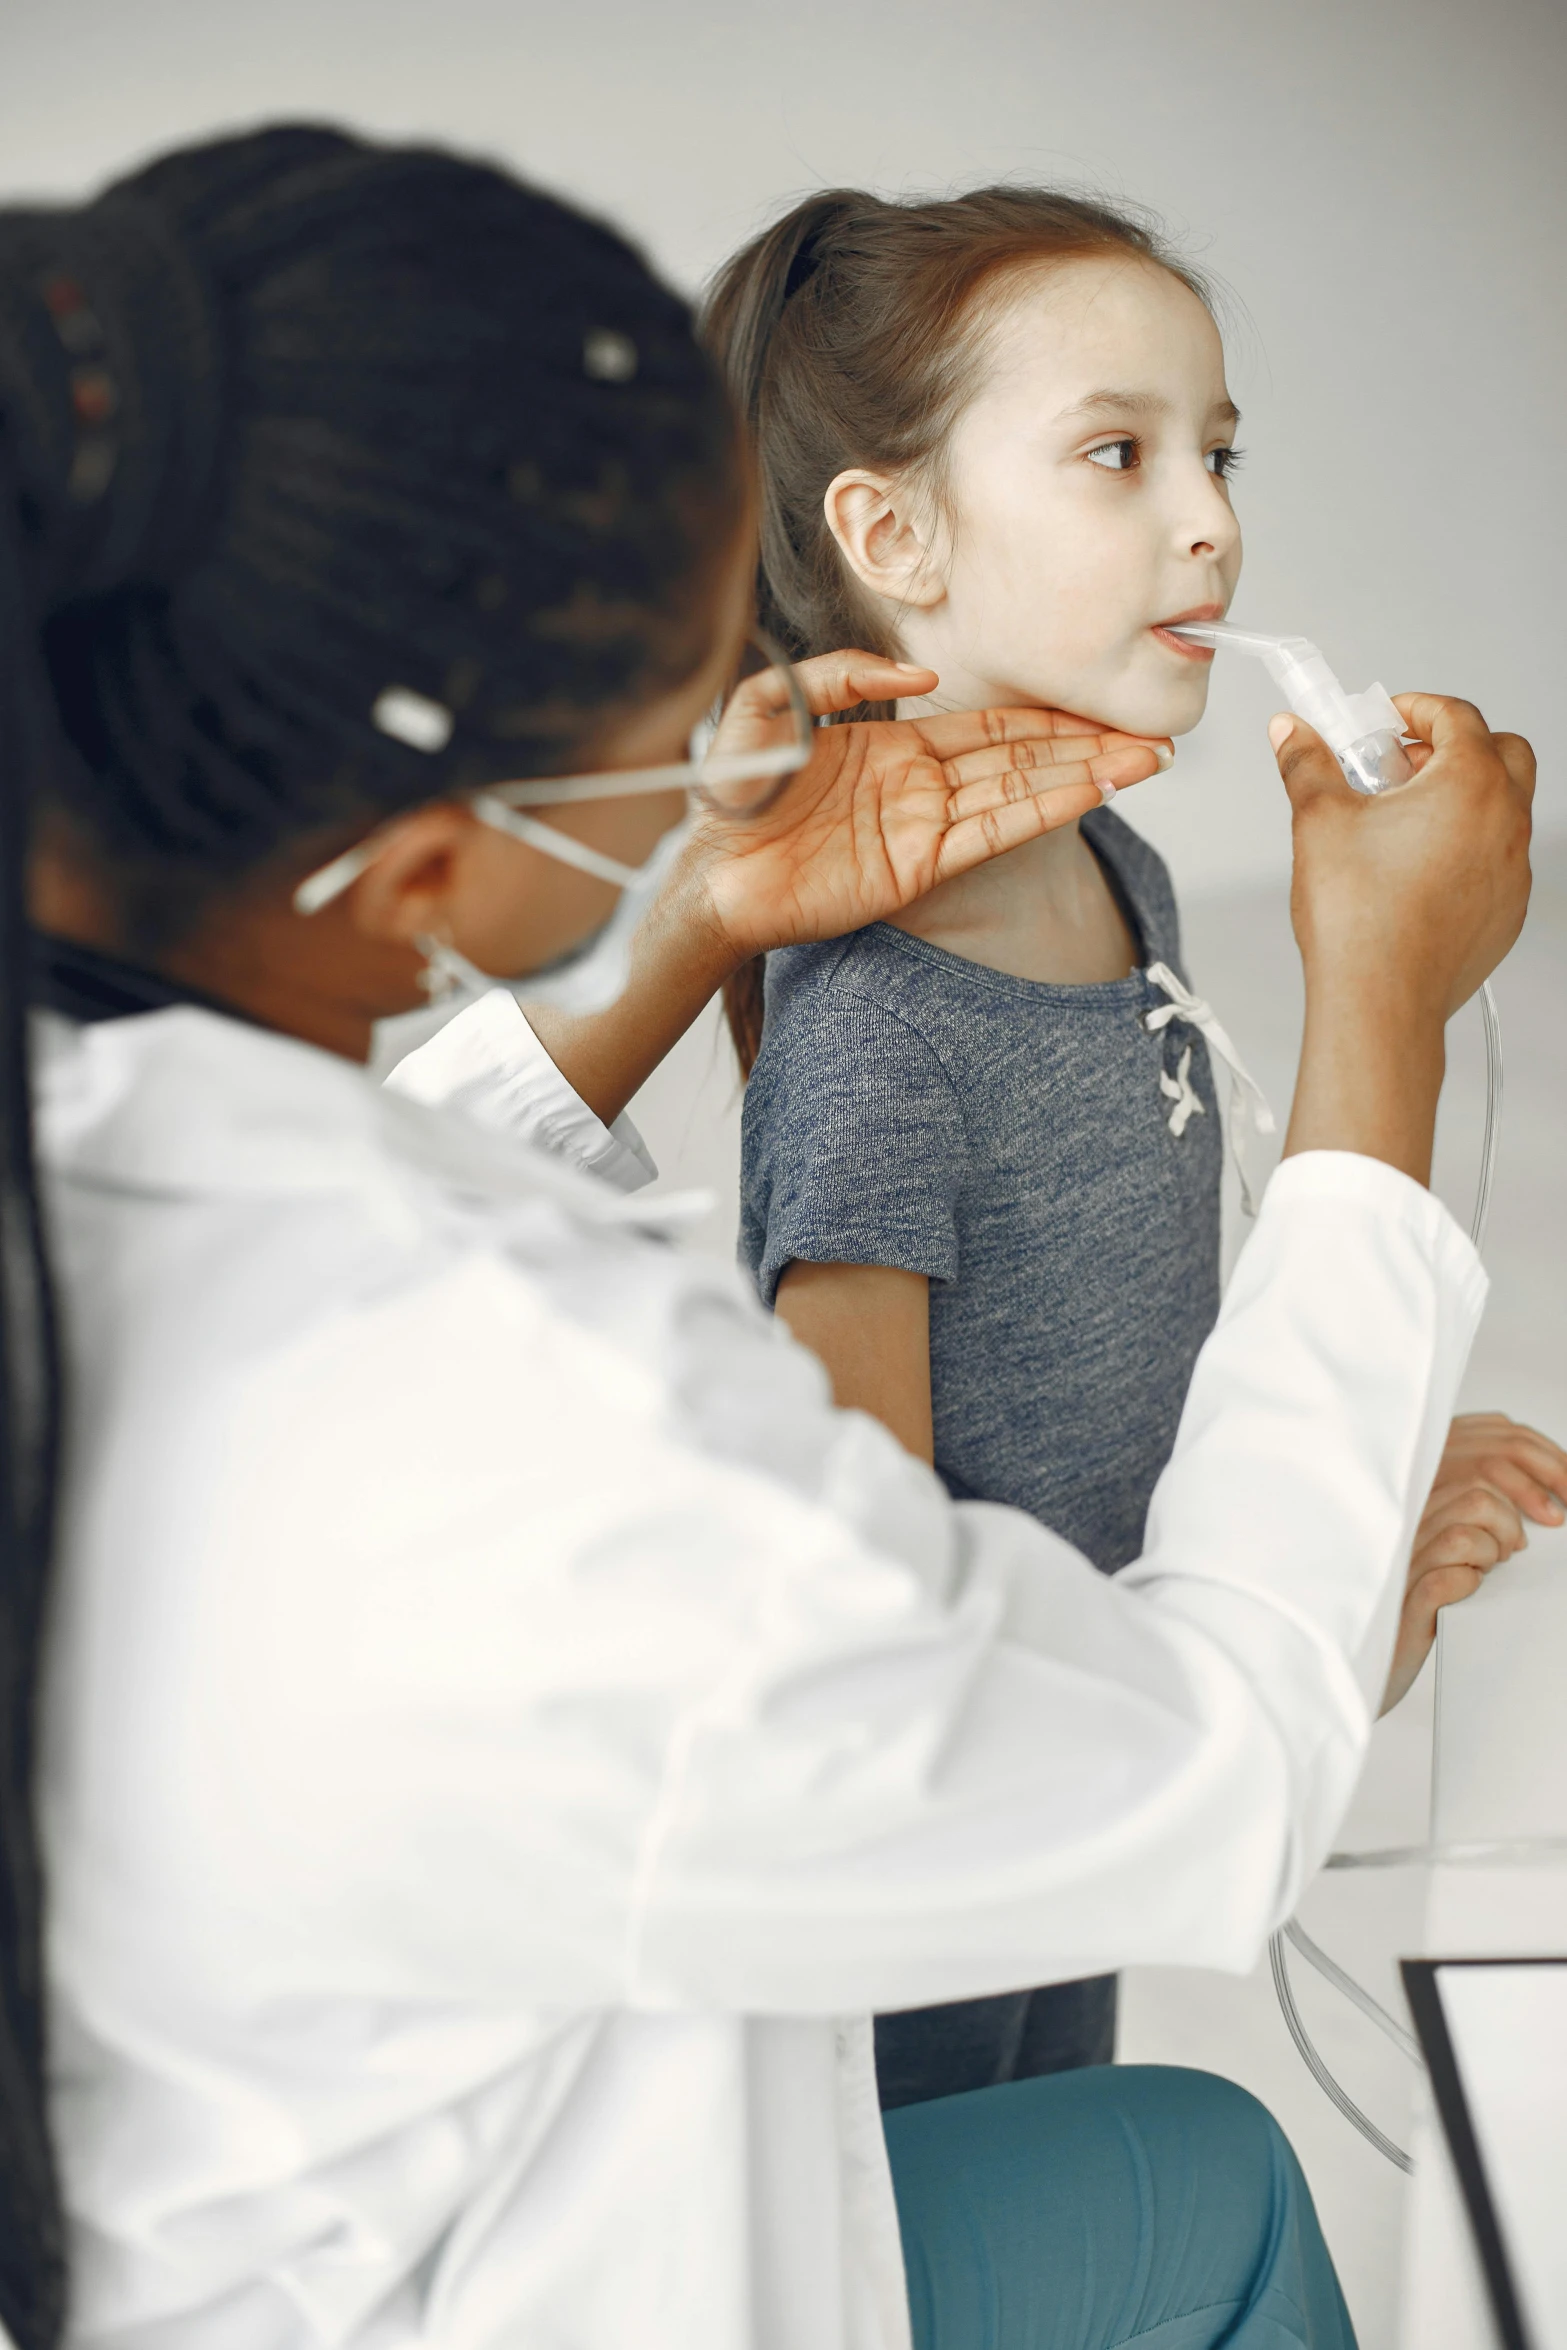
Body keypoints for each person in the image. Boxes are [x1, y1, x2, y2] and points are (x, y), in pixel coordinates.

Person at [0, 123, 1536, 2350]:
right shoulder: (568, 1439)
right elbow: (1211, 1776)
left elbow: (367, 1185)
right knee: (1200, 2175)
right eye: (671, 669)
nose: (733, 708)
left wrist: (679, 916)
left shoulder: (131, 1152)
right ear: (435, 862)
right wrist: (1383, 1011)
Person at [703, 187, 1567, 2102]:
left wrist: (1352, 1565)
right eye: (1120, 453)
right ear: (891, 535)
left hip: (1107, 1818)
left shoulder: (1120, 865)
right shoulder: (873, 1049)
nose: (1213, 521)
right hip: (934, 1927)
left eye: (1218, 450)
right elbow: (900, 1699)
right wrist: (1322, 1637)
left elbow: (1128, 1413)